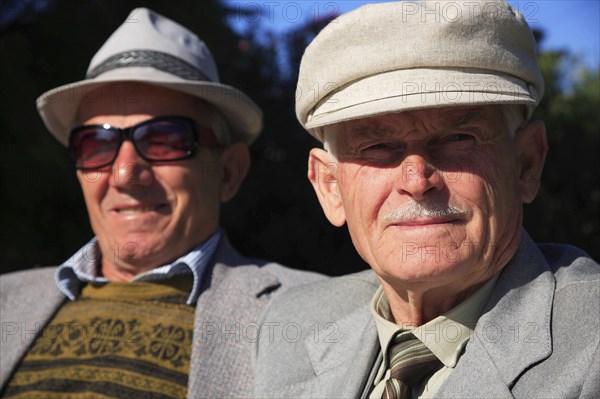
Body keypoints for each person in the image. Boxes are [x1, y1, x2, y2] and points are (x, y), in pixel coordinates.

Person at [253, 1, 599, 398]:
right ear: (330, 186)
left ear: (526, 164)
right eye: (378, 145)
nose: (417, 180)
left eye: (458, 139)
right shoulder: (290, 325)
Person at [0, 7, 322, 398]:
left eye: (163, 139)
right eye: (96, 144)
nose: (124, 174)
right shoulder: (7, 302)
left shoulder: (317, 316)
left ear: (228, 172)